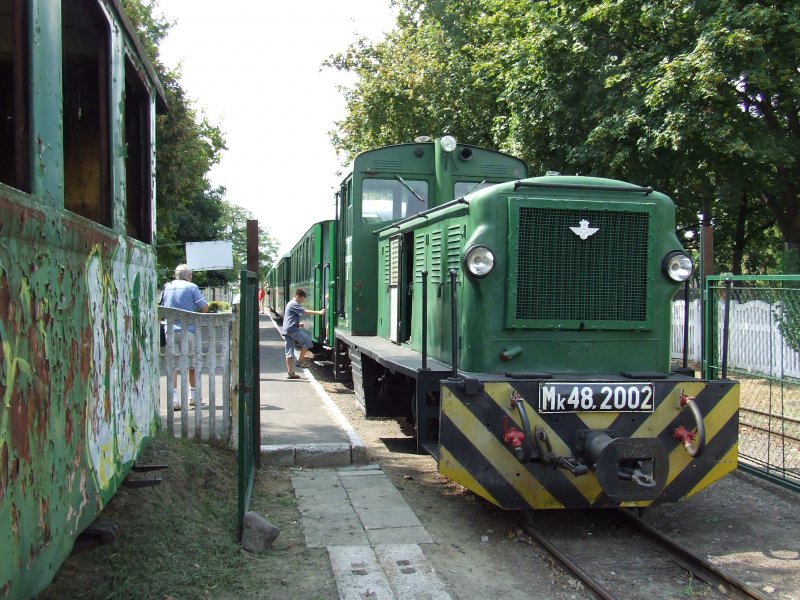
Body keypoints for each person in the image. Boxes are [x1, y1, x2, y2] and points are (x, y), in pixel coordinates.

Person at [160, 264, 209, 408]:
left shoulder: (166, 287)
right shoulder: (192, 287)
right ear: (189, 276)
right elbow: (204, 307)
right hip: (188, 330)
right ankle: (193, 397)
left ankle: (174, 400)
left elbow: (162, 307)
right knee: (192, 364)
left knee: (173, 366)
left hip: (170, 330)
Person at [282, 289, 324, 379]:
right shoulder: (294, 304)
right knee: (307, 341)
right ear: (297, 296)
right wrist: (319, 312)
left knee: (289, 351)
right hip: (292, 329)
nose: (301, 302)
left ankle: (290, 373)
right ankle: (299, 362)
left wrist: (298, 324)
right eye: (301, 300)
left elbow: (289, 318)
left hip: (287, 329)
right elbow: (305, 312)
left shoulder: (289, 303)